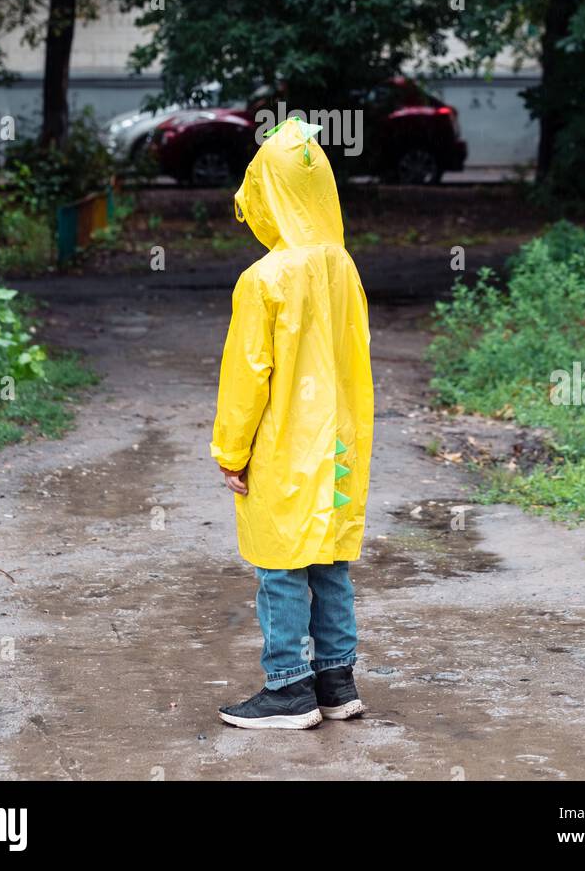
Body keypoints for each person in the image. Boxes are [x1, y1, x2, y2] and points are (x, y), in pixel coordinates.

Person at [210, 117, 374, 729]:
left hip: (283, 444)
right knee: (330, 560)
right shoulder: (343, 266)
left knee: (280, 565)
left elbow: (248, 374)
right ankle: (337, 681)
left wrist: (231, 448)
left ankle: (287, 689)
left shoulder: (265, 278)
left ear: (268, 193)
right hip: (339, 441)